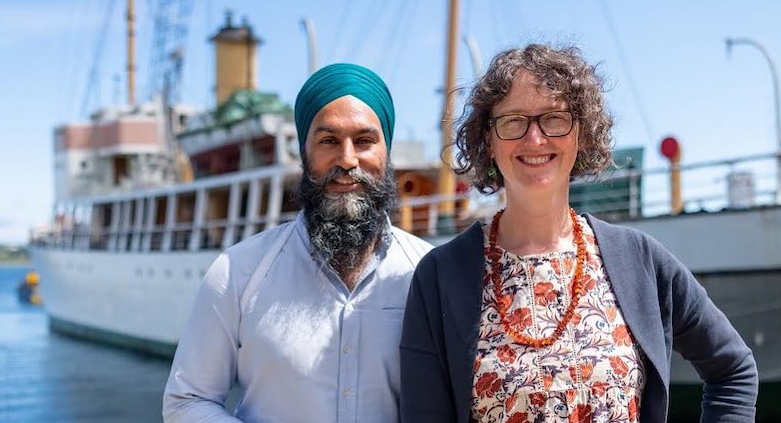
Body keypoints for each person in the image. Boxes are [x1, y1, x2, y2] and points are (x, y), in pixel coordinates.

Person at [399, 44, 758, 422]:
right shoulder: (440, 275)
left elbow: (733, 370)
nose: (534, 138)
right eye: (512, 121)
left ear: (581, 133)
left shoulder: (640, 260)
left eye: (554, 118)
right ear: (488, 140)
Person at [164, 63, 433, 422]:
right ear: (304, 152)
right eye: (328, 141)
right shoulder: (239, 273)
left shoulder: (428, 274)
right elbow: (187, 401)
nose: (347, 159)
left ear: (387, 151)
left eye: (365, 141)